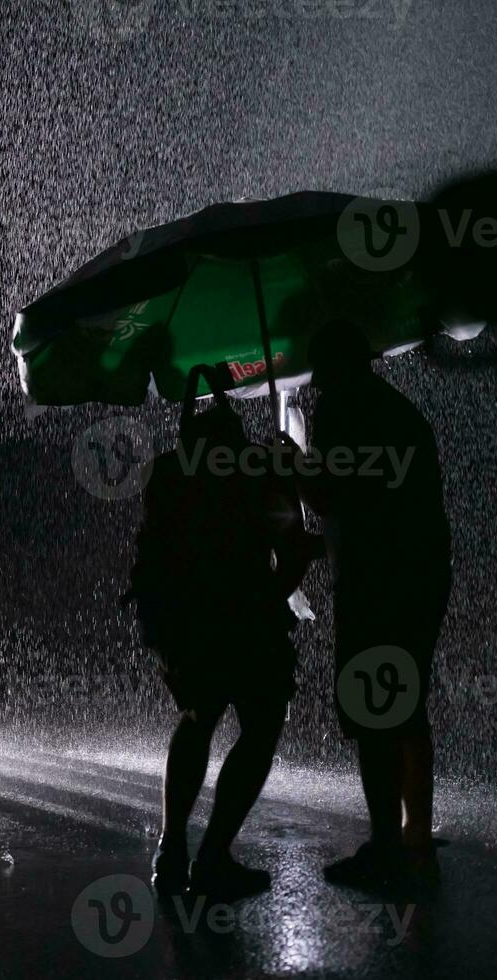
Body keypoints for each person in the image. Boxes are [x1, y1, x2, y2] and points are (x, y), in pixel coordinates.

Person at [130, 364, 318, 899]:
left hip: (185, 624)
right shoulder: (259, 468)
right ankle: (213, 854)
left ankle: (171, 851)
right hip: (247, 619)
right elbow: (291, 552)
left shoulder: (165, 475)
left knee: (196, 719)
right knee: (260, 728)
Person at [289, 320, 451, 890]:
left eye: (316, 369)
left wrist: (294, 467)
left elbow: (334, 496)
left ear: (331, 368)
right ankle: (414, 836)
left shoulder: (341, 410)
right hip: (422, 577)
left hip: (375, 585)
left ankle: (386, 846)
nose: (312, 382)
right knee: (406, 705)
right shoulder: (399, 410)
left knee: (374, 707)